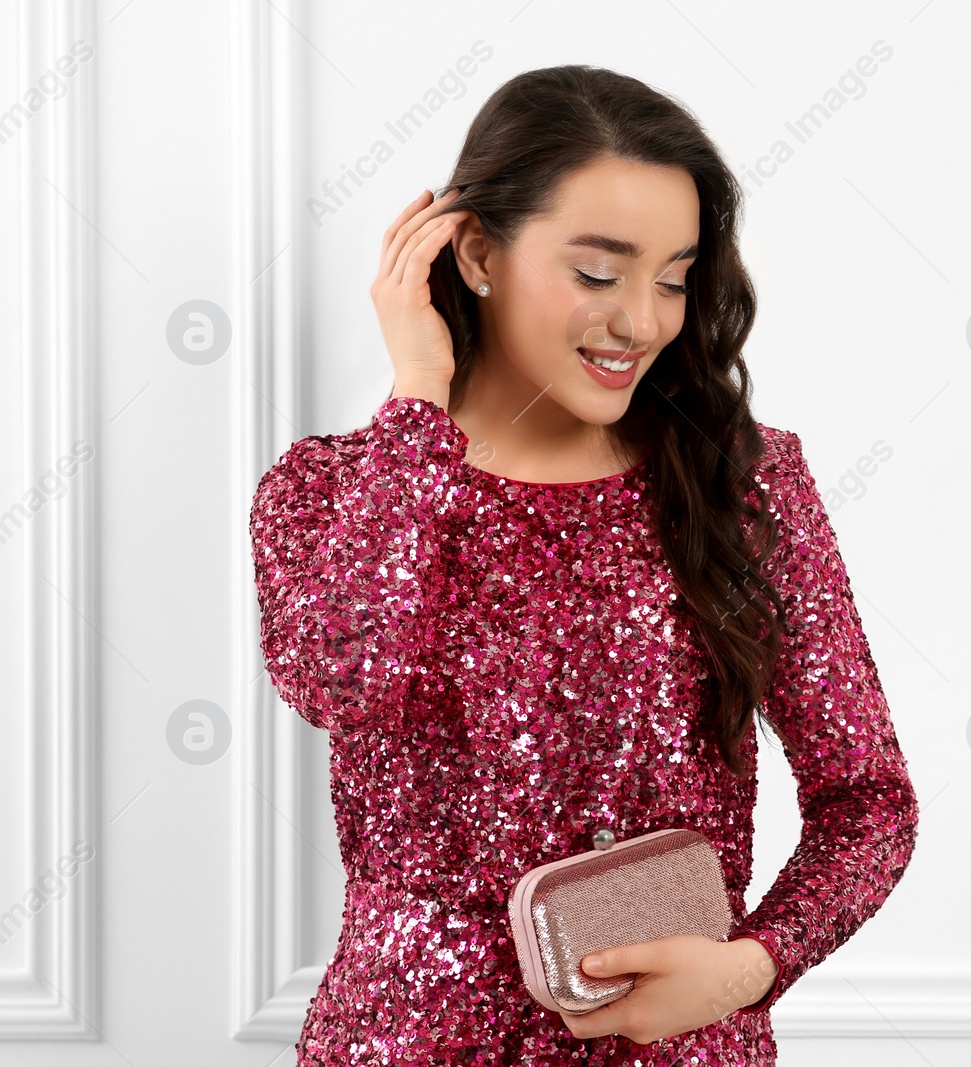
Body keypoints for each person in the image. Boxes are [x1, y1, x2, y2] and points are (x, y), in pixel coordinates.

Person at [247, 64, 919, 1066]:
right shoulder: (334, 489)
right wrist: (419, 397)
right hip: (407, 1041)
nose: (642, 321)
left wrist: (744, 970)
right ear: (476, 251)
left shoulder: (745, 480)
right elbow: (342, 679)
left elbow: (868, 802)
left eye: (675, 278)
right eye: (599, 274)